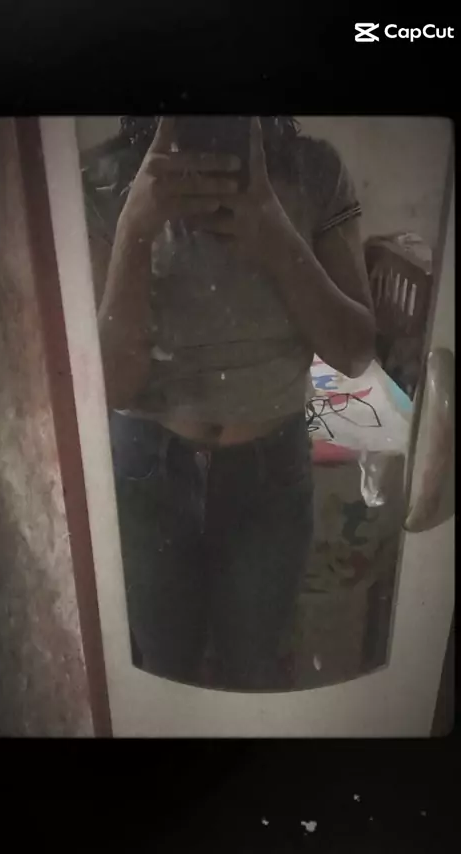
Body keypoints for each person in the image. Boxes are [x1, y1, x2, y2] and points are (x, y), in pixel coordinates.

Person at [98, 116, 375, 690]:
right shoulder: (105, 178)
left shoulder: (314, 170)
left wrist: (276, 236)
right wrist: (134, 230)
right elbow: (111, 385)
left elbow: (354, 351)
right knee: (162, 671)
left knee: (252, 671)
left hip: (269, 467)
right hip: (146, 468)